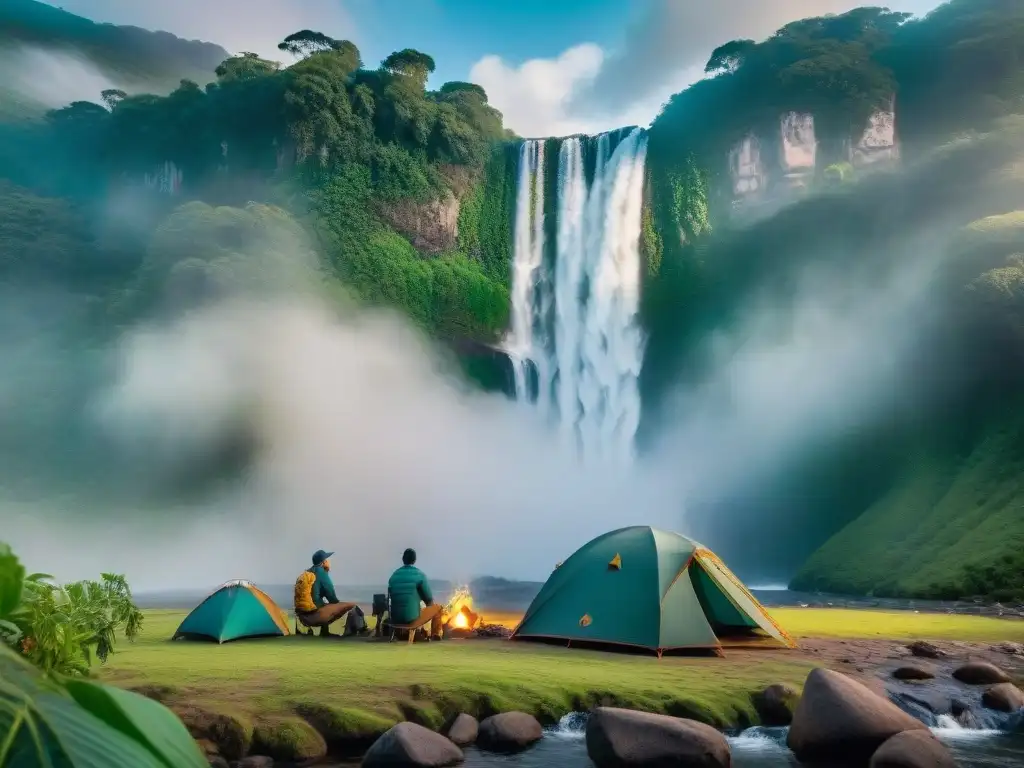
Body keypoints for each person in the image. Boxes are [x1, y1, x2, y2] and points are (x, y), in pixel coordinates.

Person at [294, 549, 357, 637]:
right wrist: (338, 604)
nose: (328, 562)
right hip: (315, 617)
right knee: (352, 606)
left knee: (323, 604)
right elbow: (332, 598)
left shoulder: (307, 573)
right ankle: (353, 633)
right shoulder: (321, 573)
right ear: (323, 562)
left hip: (302, 617)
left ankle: (324, 632)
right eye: (327, 560)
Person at [387, 548, 443, 640]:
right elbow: (429, 600)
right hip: (411, 619)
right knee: (438, 608)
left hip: (394, 618)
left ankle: (404, 633)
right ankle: (435, 634)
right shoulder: (420, 575)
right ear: (414, 560)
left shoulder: (393, 576)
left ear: (403, 559)